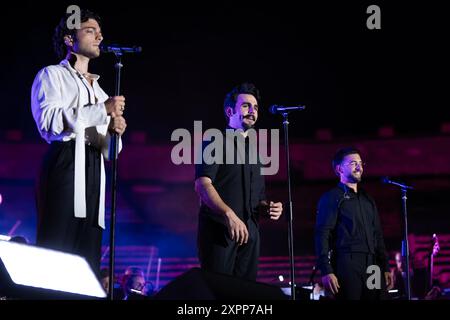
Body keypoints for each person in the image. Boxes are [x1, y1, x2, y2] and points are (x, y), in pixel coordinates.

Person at [31, 9, 127, 277]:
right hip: (66, 161)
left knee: (87, 255)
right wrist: (101, 111)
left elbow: (111, 152)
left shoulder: (100, 91)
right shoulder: (52, 75)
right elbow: (48, 122)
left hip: (95, 168)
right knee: (57, 247)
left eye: (99, 31)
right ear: (69, 39)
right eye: (90, 30)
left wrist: (114, 131)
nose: (99, 36)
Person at [194, 83, 283, 281]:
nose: (252, 111)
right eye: (246, 106)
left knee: (245, 294)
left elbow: (258, 199)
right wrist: (229, 214)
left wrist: (268, 208)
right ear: (229, 111)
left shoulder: (256, 154)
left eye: (256, 107)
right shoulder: (215, 141)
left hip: (250, 236)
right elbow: (202, 184)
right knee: (218, 292)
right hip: (220, 232)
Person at [314, 147, 393, 300]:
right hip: (347, 263)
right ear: (339, 169)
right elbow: (322, 234)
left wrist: (385, 267)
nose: (359, 167)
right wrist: (326, 270)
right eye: (352, 163)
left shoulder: (368, 199)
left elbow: (377, 235)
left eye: (360, 163)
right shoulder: (332, 198)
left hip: (373, 265)